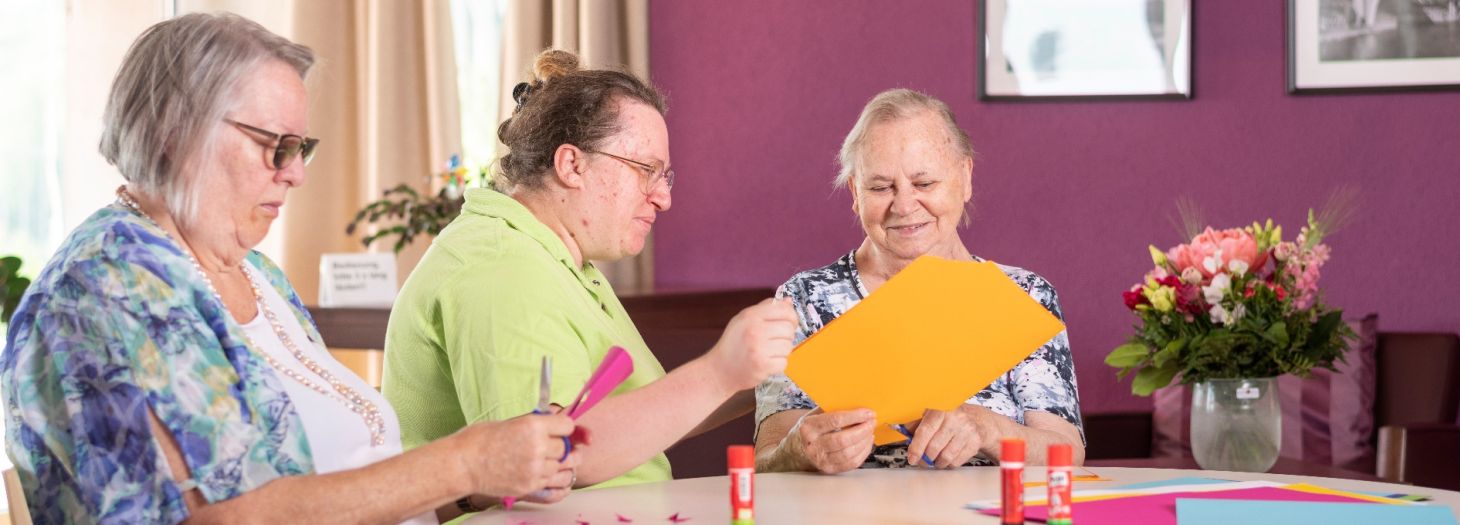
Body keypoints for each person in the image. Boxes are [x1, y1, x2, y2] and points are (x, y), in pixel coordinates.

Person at [0, 13, 578, 524]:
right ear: (176, 131)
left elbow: (349, 487)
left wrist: (482, 482)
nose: (296, 173)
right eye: (275, 145)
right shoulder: (103, 291)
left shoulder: (255, 273)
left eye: (302, 147)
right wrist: (464, 462)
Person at [381, 50, 797, 490]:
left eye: (666, 177)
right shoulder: (502, 267)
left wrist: (771, 371)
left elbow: (640, 421)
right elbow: (551, 460)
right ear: (571, 165)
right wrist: (718, 371)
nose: (663, 198)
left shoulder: (560, 259)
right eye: (645, 170)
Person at [753, 89, 1085, 474]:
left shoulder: (1025, 295)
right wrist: (798, 450)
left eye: (924, 183)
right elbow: (765, 462)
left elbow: (1066, 452)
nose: (904, 205)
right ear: (854, 194)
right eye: (880, 187)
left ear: (965, 177)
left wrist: (988, 430)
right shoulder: (801, 299)